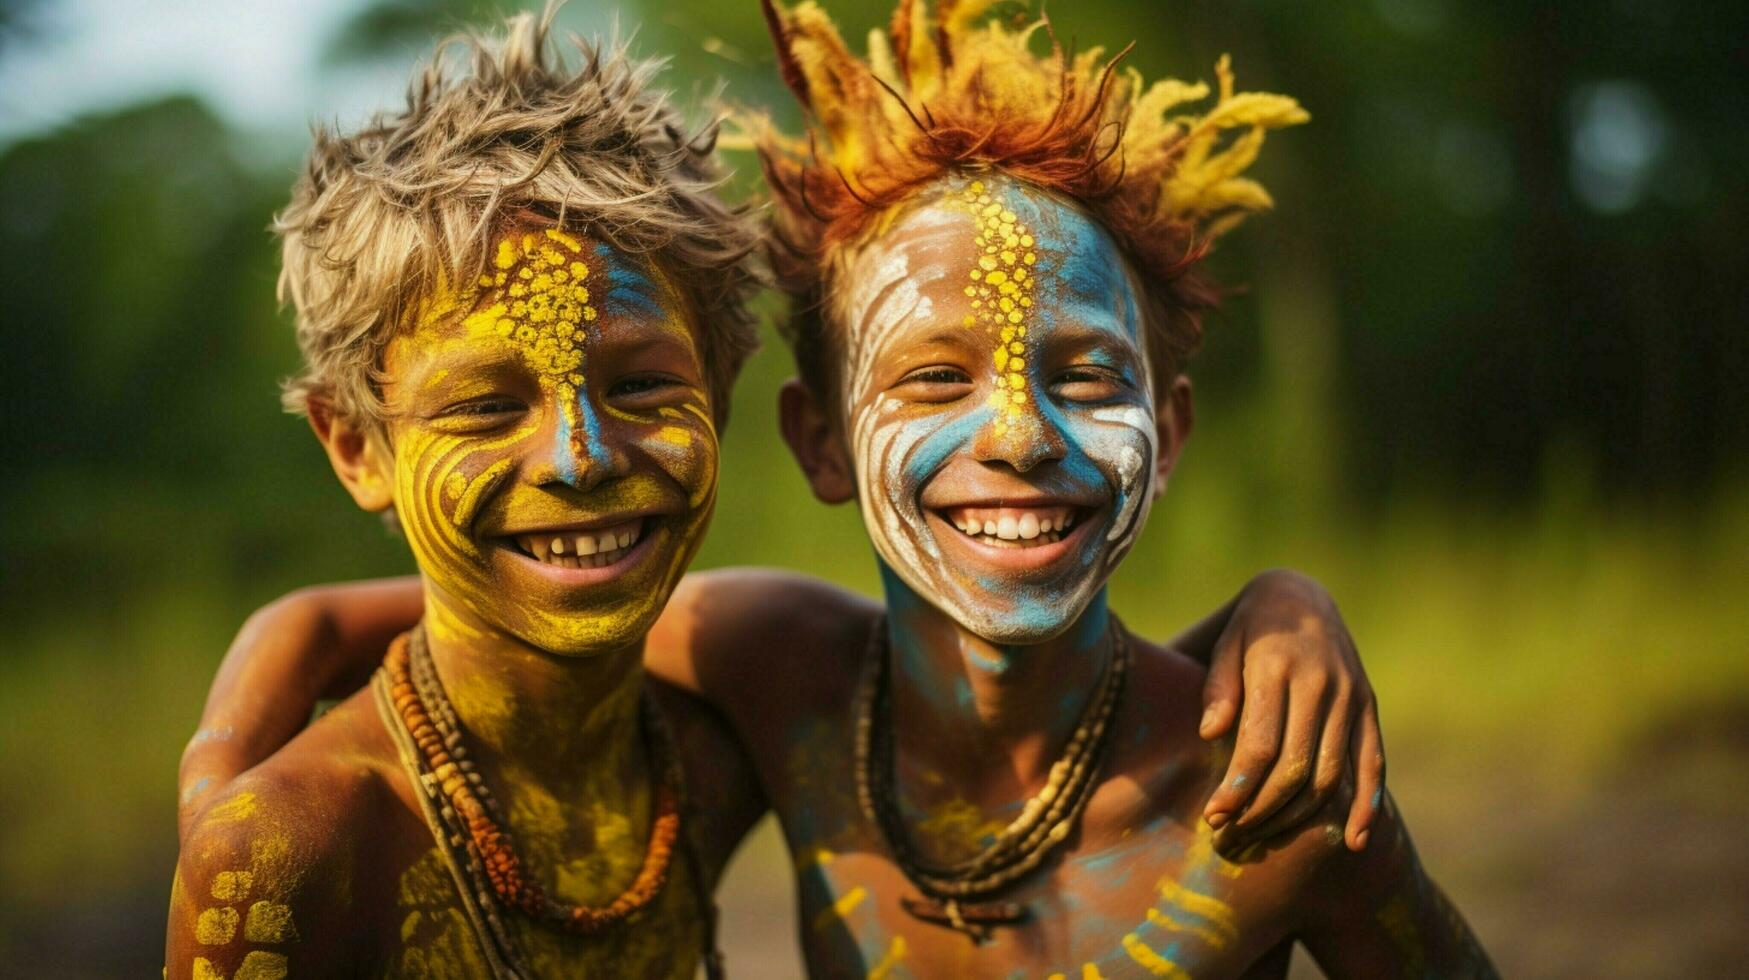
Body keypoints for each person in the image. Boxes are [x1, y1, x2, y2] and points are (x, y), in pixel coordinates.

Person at [173, 5, 1397, 978]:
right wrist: (222, 759)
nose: (582, 457)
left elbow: (1042, 723)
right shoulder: (296, 848)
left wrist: (1281, 607)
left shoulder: (725, 732)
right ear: (355, 446)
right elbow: (392, 622)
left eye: (642, 385)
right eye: (490, 405)